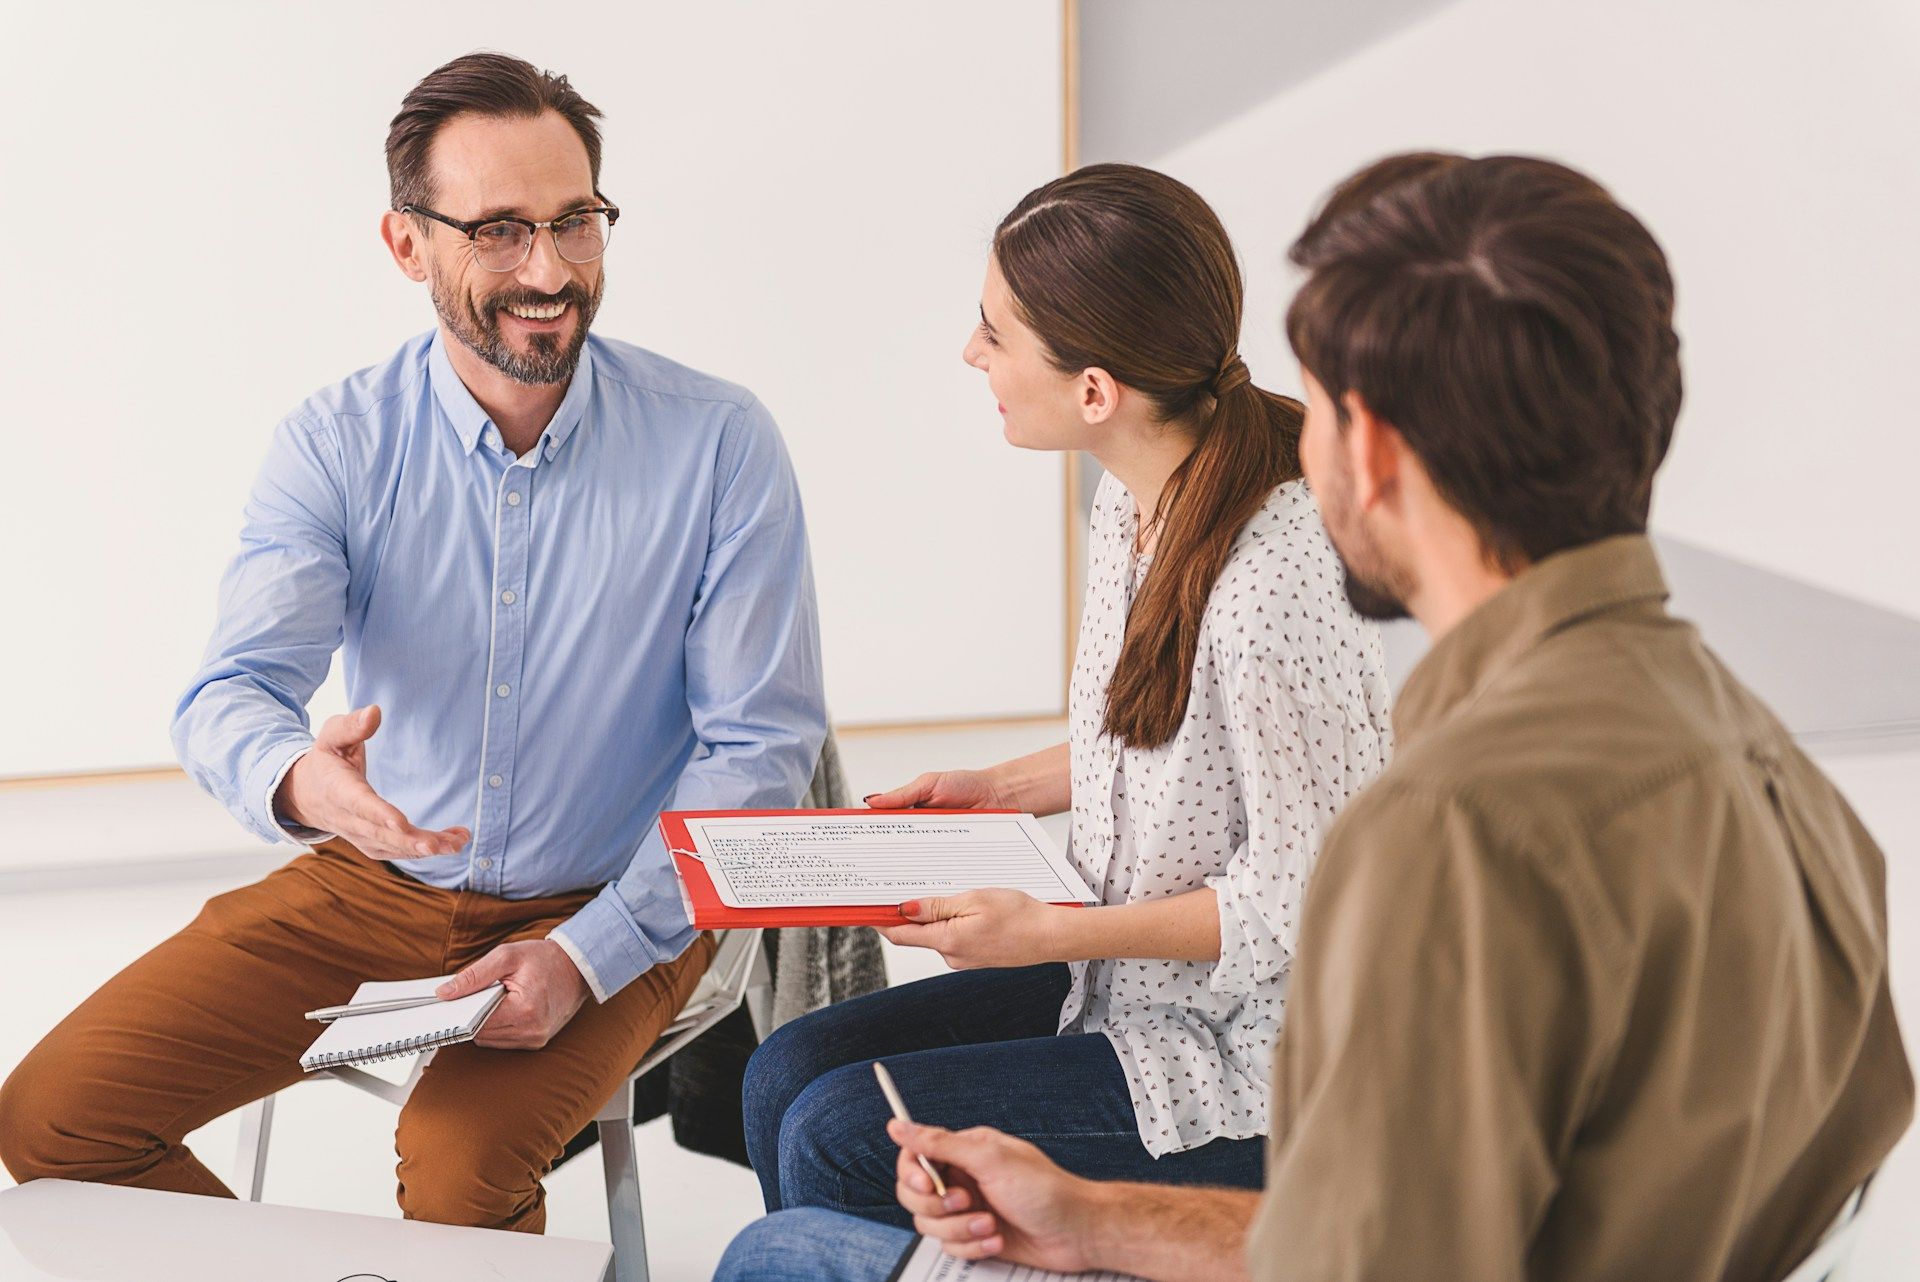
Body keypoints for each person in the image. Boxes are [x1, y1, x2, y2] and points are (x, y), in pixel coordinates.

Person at [715, 152, 1914, 1282]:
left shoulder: (1452, 824)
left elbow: (1378, 1245)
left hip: (1243, 1090)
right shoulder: (1769, 763)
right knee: (801, 1088)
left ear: (1373, 455)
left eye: (1322, 406)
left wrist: (1094, 1217)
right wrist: (1079, 1208)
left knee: (776, 1247)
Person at [0, 52, 826, 1233]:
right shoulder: (337, 442)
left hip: (613, 896)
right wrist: (303, 778)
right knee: (53, 1118)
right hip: (376, 882)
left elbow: (758, 754)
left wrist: (587, 954)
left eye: (576, 221)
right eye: (498, 230)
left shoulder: (720, 443)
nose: (550, 270)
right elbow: (231, 690)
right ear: (407, 244)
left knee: (455, 1162)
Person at [739, 163, 1394, 1225]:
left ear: (1097, 390)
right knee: (781, 1073)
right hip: (1127, 990)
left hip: (1253, 1063)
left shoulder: (1277, 583)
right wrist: (995, 786)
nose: (970, 353)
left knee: (836, 1131)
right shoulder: (1130, 500)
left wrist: (1048, 933)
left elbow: (1299, 906)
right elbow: (1154, 730)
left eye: (994, 333)